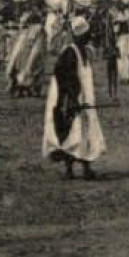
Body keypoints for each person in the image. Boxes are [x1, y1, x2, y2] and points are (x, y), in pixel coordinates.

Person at [43, 17, 106, 180]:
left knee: (85, 132)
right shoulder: (69, 52)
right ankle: (70, 169)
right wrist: (71, 98)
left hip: (84, 99)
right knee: (73, 132)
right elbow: (63, 77)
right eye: (86, 34)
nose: (88, 36)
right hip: (72, 99)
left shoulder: (84, 51)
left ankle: (86, 168)